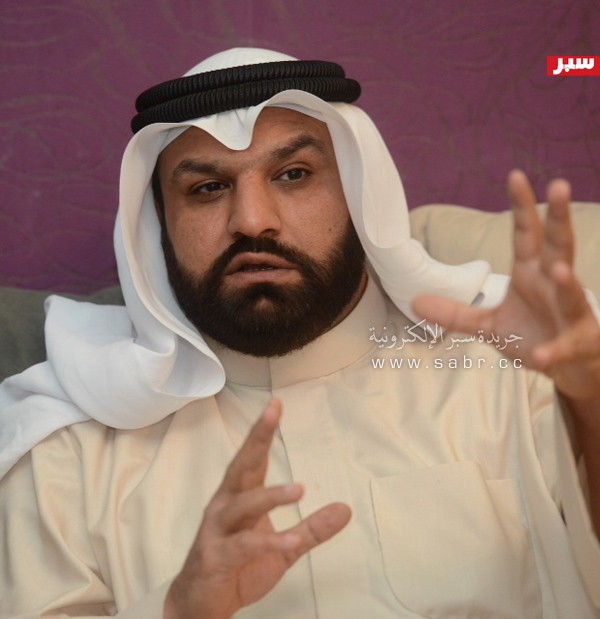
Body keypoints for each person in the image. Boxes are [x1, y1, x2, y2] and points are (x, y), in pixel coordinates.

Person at [0, 47, 599, 619]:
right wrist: (178, 609)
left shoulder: (518, 371)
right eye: (208, 188)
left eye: (293, 174)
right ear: (159, 229)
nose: (252, 221)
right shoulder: (71, 450)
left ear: (358, 195)